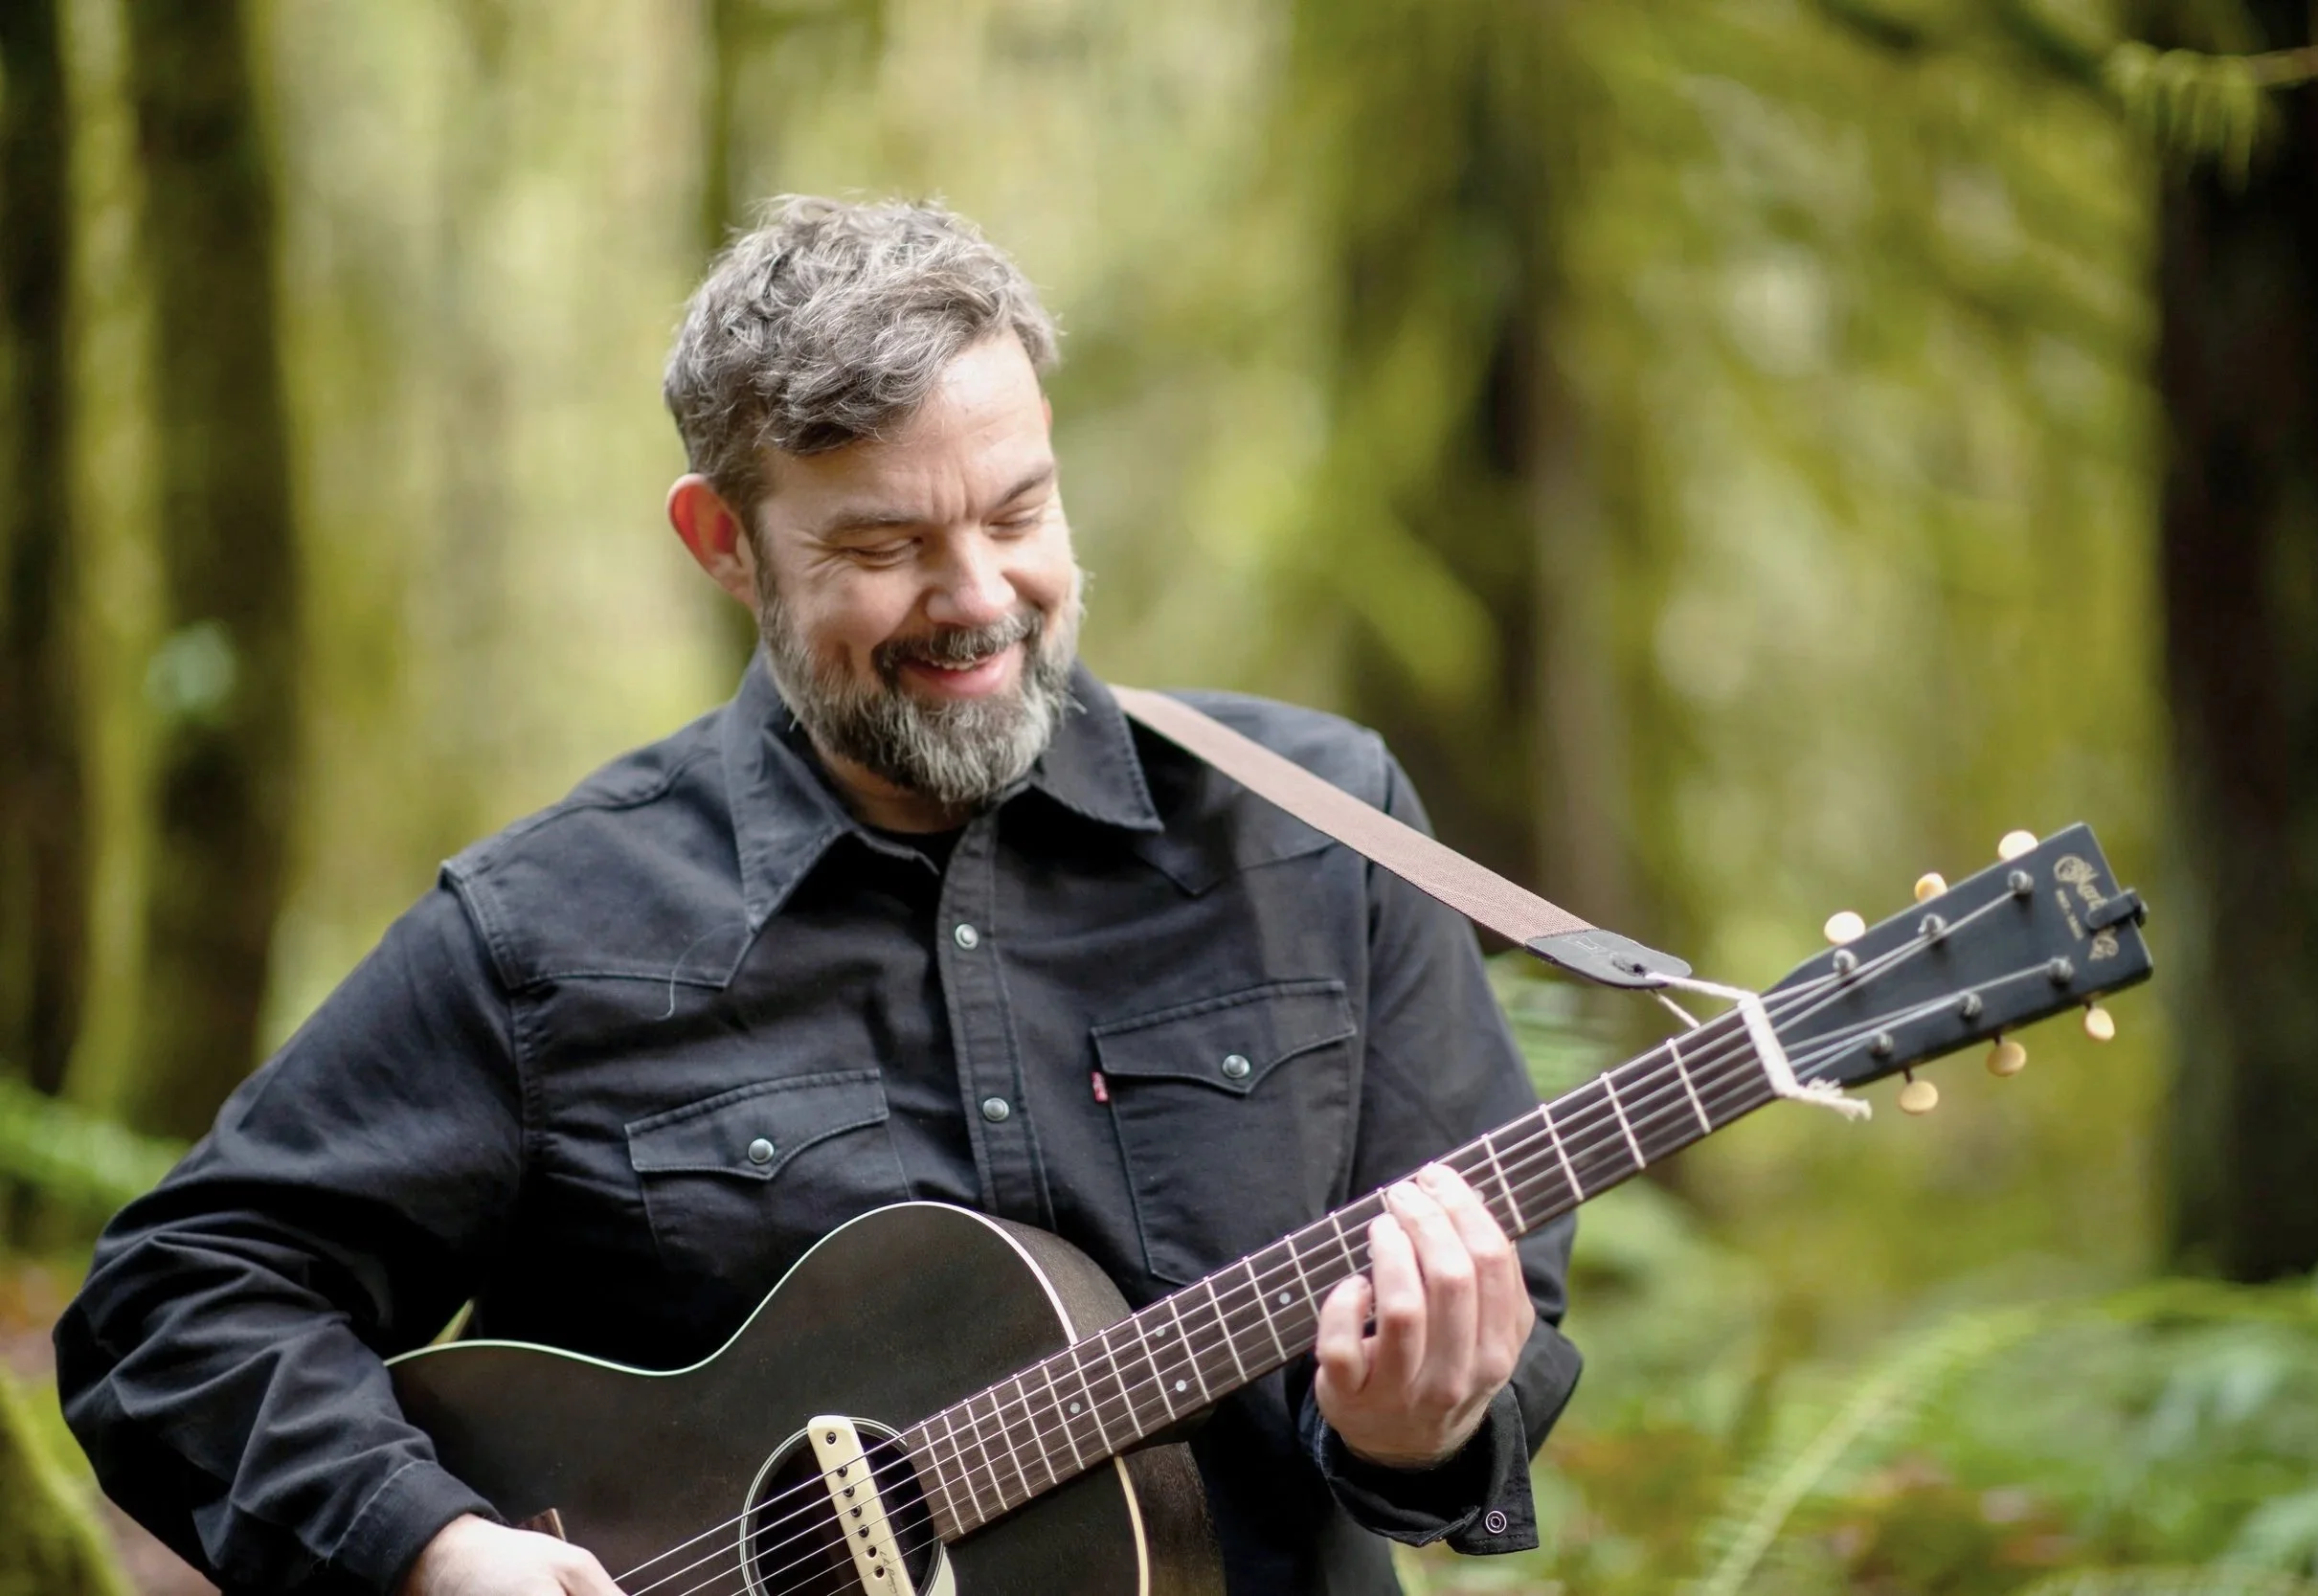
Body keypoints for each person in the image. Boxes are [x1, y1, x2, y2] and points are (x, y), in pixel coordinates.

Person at [55, 196, 1582, 1596]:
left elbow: (1506, 1321)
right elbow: (174, 1303)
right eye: (885, 546)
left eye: (1017, 513)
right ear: (725, 544)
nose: (978, 595)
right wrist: (432, 1544)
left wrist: (1418, 1429)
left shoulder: (1317, 833)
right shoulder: (550, 931)